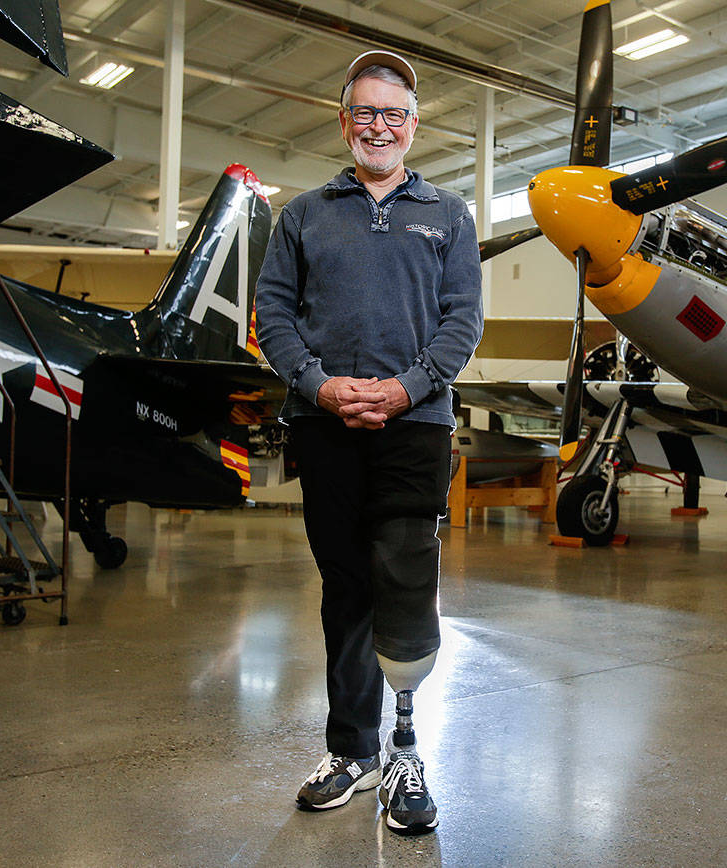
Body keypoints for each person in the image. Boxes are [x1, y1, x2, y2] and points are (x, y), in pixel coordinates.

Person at [254, 49, 483, 836]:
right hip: (324, 426)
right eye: (365, 111)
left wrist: (406, 388)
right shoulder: (303, 215)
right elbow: (274, 316)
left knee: (405, 578)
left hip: (416, 426)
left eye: (394, 114)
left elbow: (464, 321)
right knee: (345, 583)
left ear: (414, 127)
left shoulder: (449, 215)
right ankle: (352, 749)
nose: (378, 125)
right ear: (343, 119)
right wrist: (320, 386)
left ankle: (408, 751)